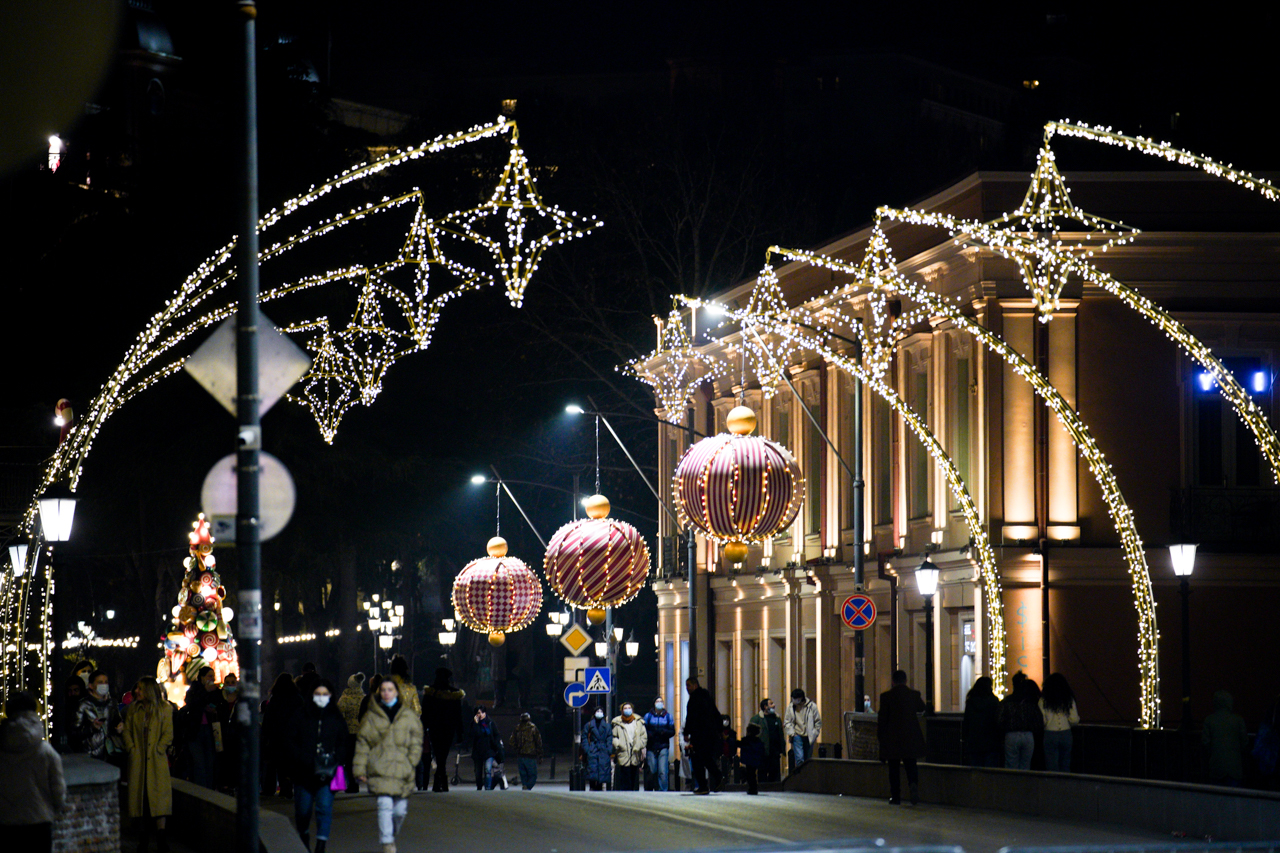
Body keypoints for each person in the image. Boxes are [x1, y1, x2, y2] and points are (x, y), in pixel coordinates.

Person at [355, 676, 423, 853]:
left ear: (396, 692)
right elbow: (363, 743)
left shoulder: (407, 716)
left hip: (402, 769)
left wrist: (412, 760)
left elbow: (416, 739)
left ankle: (391, 833)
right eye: (383, 690)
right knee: (384, 805)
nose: (386, 693)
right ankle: (387, 842)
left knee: (400, 811)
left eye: (390, 689)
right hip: (380, 768)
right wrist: (360, 768)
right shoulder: (371, 716)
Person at [0, 691, 67, 853]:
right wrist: (58, 808)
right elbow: (58, 788)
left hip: (7, 822)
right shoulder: (45, 751)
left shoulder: (2, 747)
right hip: (39, 821)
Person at [289, 679, 346, 853]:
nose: (321, 698)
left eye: (325, 694)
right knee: (303, 810)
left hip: (327, 772)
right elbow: (290, 740)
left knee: (324, 807)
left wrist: (337, 758)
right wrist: (303, 757)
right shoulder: (301, 715)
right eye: (318, 694)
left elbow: (343, 741)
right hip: (304, 772)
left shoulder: (336, 717)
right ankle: (304, 834)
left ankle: (321, 843)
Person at [123, 676, 173, 853]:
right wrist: (131, 748)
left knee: (159, 799)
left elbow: (168, 733)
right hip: (139, 760)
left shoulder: (165, 709)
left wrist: (159, 748)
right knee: (141, 799)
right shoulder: (134, 710)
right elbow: (127, 730)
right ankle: (143, 838)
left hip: (156, 761)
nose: (137, 691)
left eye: (141, 689)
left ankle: (161, 837)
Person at [878, 669, 926, 805]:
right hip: (910, 738)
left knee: (893, 769)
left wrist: (881, 739)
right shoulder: (914, 695)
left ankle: (896, 796)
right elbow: (923, 709)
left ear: (893, 682)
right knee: (911, 765)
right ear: (905, 681)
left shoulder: (886, 697)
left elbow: (882, 720)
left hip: (892, 739)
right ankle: (913, 785)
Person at [420, 667, 465, 792]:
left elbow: (425, 713)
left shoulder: (431, 693)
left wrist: (423, 728)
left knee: (438, 753)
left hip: (434, 728)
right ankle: (442, 780)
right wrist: (460, 732)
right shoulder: (454, 694)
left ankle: (439, 781)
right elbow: (458, 715)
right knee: (443, 754)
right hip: (448, 729)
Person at [262, 672, 301, 797]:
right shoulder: (297, 699)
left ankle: (269, 788)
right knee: (289, 763)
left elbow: (268, 719)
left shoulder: (275, 699)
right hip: (293, 736)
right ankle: (287, 787)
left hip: (276, 736)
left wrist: (266, 735)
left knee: (274, 763)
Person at [682, 677, 724, 794]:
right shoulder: (707, 697)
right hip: (710, 734)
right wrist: (720, 730)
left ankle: (704, 786)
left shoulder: (694, 700)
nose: (687, 688)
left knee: (697, 760)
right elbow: (716, 713)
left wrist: (686, 732)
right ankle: (717, 777)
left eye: (688, 685)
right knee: (706, 758)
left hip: (699, 734)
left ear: (695, 685)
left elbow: (691, 717)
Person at [182, 666, 220, 788]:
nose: (212, 679)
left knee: (210, 761)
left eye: (213, 677)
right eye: (209, 676)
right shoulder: (195, 690)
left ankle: (209, 788)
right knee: (199, 762)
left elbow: (218, 703)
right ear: (202, 677)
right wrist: (205, 691)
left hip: (210, 729)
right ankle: (201, 790)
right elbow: (192, 703)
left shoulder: (214, 690)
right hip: (195, 730)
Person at [75, 669, 124, 762]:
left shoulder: (112, 703)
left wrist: (120, 726)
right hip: (90, 754)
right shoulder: (83, 705)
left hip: (111, 753)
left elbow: (117, 721)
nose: (104, 685)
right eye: (100, 682)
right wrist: (92, 727)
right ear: (91, 686)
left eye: (106, 682)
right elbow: (75, 733)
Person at [1202, 689, 1248, 787]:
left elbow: (1206, 743)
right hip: (1234, 768)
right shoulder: (1238, 720)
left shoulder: (1209, 720)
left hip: (1216, 767)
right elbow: (1244, 742)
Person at [999, 672, 1043, 771]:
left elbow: (1000, 719)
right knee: (1026, 766)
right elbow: (1038, 720)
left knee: (1011, 766)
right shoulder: (1030, 701)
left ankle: (1013, 786)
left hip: (1011, 735)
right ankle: (1024, 785)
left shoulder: (1007, 701)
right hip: (1028, 734)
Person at [1039, 673, 1080, 772]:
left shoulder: (1043, 701)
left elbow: (1043, 721)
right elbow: (1074, 720)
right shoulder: (1068, 700)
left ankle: (1053, 786)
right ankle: (1065, 786)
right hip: (1066, 733)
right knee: (1065, 764)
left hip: (1050, 734)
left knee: (1051, 766)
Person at [962, 676, 1002, 767]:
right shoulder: (994, 701)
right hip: (991, 742)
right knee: (990, 771)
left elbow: (967, 721)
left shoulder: (971, 702)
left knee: (976, 769)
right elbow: (998, 720)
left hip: (974, 742)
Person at [337, 673, 366, 794]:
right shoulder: (363, 697)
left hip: (348, 732)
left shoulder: (345, 698)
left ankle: (351, 784)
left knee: (348, 759)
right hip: (361, 733)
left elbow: (339, 715)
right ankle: (357, 781)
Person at [611, 702, 647, 791]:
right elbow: (614, 737)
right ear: (622, 710)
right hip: (623, 752)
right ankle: (625, 794)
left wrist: (639, 745)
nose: (627, 710)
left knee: (634, 775)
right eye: (625, 708)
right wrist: (618, 744)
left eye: (629, 708)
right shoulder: (617, 723)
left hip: (635, 753)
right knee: (624, 776)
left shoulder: (638, 722)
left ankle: (633, 793)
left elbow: (644, 737)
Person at [783, 687, 821, 770]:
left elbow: (817, 722)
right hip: (797, 735)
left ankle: (806, 776)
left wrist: (815, 733)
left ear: (800, 698)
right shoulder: (791, 707)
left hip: (809, 736)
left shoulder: (811, 706)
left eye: (795, 698)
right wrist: (792, 733)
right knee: (799, 758)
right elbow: (787, 721)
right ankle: (801, 776)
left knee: (808, 759)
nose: (793, 700)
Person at [642, 696, 675, 791]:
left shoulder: (668, 716)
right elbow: (644, 730)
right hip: (651, 746)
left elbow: (672, 731)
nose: (659, 703)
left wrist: (663, 732)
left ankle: (663, 790)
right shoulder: (648, 716)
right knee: (652, 770)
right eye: (657, 701)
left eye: (661, 701)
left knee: (663, 771)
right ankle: (650, 788)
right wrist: (651, 734)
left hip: (663, 746)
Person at [216, 673, 242, 792]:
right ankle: (224, 783)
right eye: (228, 682)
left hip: (236, 734)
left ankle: (233, 784)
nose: (230, 685)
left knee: (235, 759)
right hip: (221, 733)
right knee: (222, 759)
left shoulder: (241, 699)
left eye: (232, 682)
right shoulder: (220, 697)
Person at [468, 706, 504, 790]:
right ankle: (479, 786)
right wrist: (476, 724)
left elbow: (496, 734)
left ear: (485, 713)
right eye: (478, 713)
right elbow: (474, 735)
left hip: (489, 750)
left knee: (488, 770)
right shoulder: (473, 724)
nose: (480, 715)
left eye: (481, 713)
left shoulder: (490, 723)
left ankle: (488, 788)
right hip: (478, 751)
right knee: (478, 772)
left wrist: (496, 744)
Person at [749, 698, 784, 783]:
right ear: (765, 707)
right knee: (762, 771)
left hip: (774, 750)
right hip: (762, 750)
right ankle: (763, 788)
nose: (774, 705)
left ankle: (774, 788)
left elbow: (780, 733)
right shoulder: (757, 719)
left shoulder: (777, 718)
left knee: (775, 772)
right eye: (771, 704)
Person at [510, 712, 543, 790]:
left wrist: (516, 749)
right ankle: (527, 787)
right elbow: (538, 742)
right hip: (530, 755)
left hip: (520, 755)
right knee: (533, 775)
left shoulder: (517, 728)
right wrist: (540, 754)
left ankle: (525, 786)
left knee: (523, 775)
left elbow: (511, 741)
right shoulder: (533, 728)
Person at [583, 707, 612, 791]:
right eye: (597, 711)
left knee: (603, 769)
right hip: (593, 749)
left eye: (601, 711)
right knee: (592, 770)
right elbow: (584, 737)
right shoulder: (589, 725)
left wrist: (608, 749)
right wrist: (587, 749)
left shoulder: (607, 726)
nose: (599, 713)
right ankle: (592, 787)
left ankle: (600, 787)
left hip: (603, 751)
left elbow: (609, 738)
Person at [55, 674, 85, 752]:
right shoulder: (64, 709)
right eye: (70, 691)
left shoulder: (86, 707)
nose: (72, 694)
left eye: (76, 690)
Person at [739, 722, 765, 795]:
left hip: (749, 760)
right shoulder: (758, 741)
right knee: (752, 774)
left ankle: (752, 789)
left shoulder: (746, 740)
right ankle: (753, 788)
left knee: (750, 775)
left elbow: (739, 744)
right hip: (755, 760)